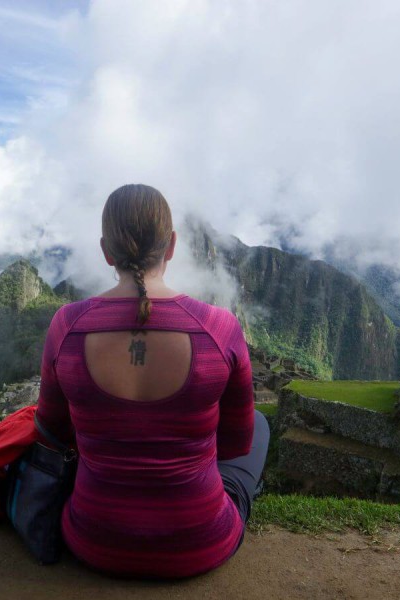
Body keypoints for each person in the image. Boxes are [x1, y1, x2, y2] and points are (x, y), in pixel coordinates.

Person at [35, 184, 270, 579]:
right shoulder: (218, 328)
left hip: (94, 539)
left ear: (106, 251)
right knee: (260, 425)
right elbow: (232, 446)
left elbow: (51, 433)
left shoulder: (67, 326)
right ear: (172, 245)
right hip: (202, 542)